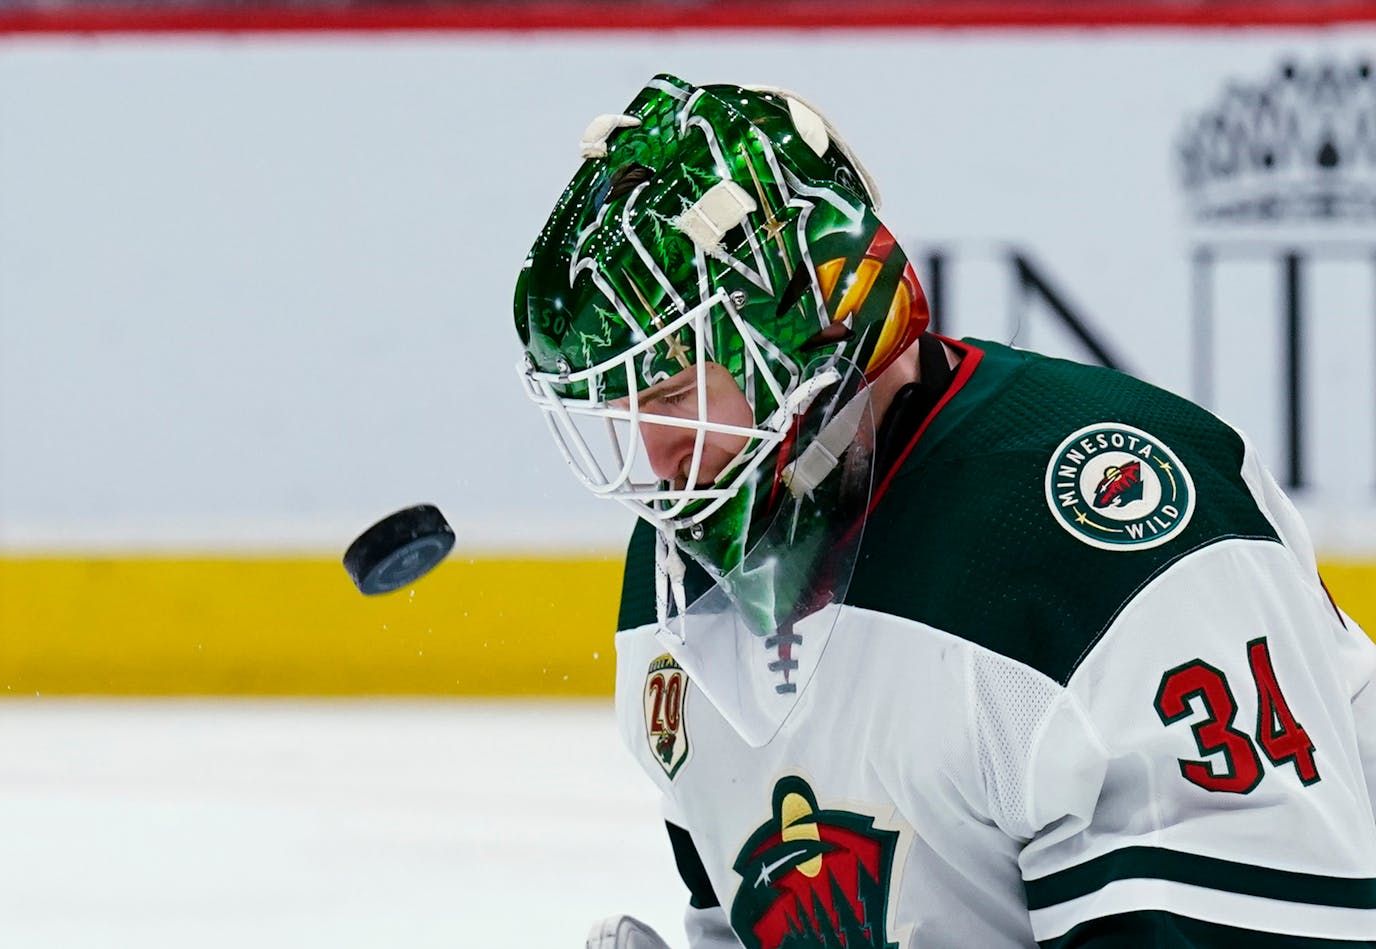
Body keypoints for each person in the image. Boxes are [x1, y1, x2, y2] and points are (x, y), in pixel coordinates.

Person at [513, 74, 1376, 948]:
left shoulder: (1110, 533)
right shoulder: (673, 589)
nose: (654, 460)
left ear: (800, 318)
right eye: (615, 409)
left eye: (671, 391)